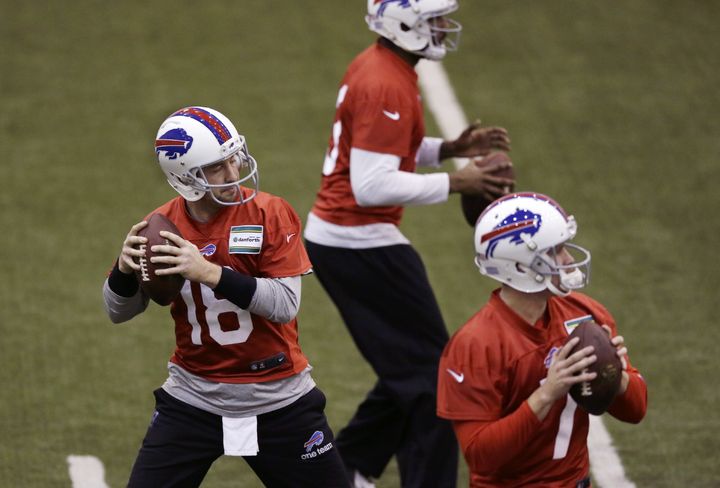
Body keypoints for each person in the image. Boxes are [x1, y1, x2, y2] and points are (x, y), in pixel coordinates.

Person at [303, 1, 513, 487]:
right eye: (435, 18)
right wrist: (455, 182)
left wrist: (448, 149)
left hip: (351, 240)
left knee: (416, 369)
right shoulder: (386, 80)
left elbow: (385, 142)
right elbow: (371, 184)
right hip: (356, 240)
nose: (443, 26)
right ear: (404, 23)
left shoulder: (382, 66)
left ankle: (347, 468)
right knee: (436, 380)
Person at [102, 106, 350, 487]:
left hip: (278, 397)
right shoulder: (162, 228)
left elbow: (285, 304)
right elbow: (118, 311)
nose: (233, 173)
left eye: (233, 157)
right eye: (216, 167)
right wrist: (124, 270)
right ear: (185, 178)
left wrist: (207, 272)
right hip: (193, 398)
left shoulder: (271, 212)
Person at [437, 192, 648, 487]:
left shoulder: (585, 314)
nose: (569, 259)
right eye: (556, 250)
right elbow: (480, 456)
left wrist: (617, 377)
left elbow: (636, 411)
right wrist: (547, 393)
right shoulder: (475, 345)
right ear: (521, 266)